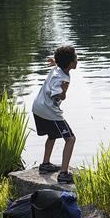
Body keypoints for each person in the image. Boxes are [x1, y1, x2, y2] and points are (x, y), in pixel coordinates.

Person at [32, 46, 78, 183]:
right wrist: (64, 92)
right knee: (70, 139)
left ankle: (45, 165)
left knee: (52, 135)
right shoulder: (60, 79)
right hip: (48, 110)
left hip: (37, 106)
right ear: (70, 63)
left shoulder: (58, 68)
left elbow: (59, 67)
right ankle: (63, 174)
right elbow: (58, 96)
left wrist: (56, 63)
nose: (77, 61)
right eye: (76, 59)